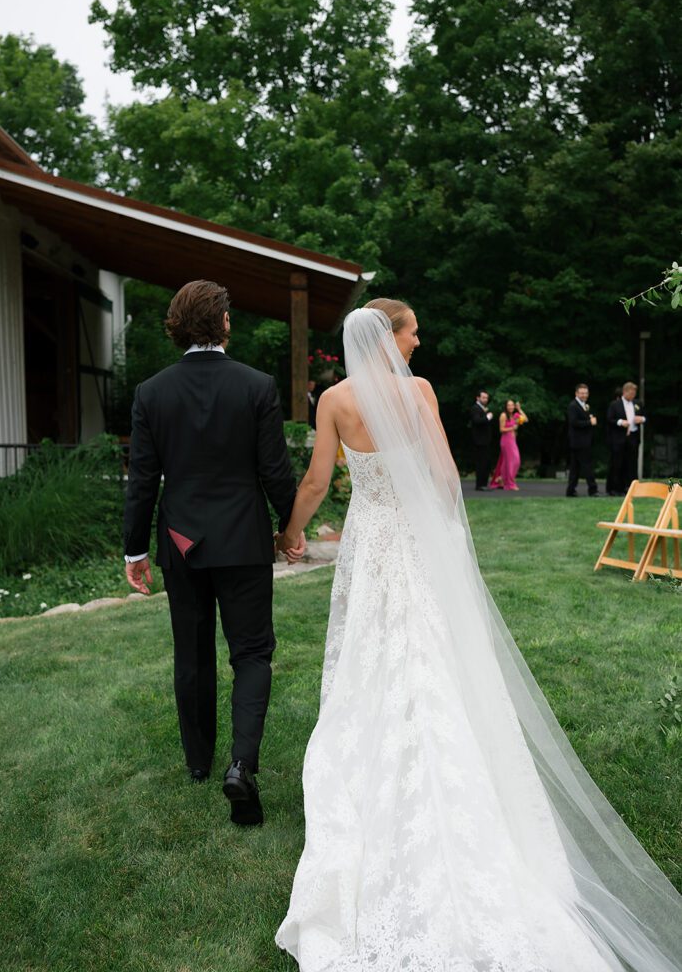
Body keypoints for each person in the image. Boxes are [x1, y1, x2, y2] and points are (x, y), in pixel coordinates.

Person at [275, 298, 682, 972]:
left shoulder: (335, 401)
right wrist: (448, 539)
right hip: (412, 537)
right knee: (432, 647)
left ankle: (372, 761)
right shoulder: (420, 393)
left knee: (374, 650)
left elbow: (319, 478)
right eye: (411, 331)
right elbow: (441, 474)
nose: (418, 340)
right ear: (389, 337)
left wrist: (291, 531)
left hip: (371, 540)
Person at [123, 280, 304, 826]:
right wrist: (291, 529)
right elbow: (275, 471)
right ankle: (240, 767)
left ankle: (198, 764)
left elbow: (142, 483)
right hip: (244, 540)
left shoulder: (151, 392)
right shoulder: (256, 385)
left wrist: (135, 550)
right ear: (222, 323)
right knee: (251, 653)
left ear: (179, 326)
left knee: (192, 652)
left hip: (181, 541)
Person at [607, 380, 647, 493]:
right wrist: (620, 422)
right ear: (624, 392)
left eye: (634, 393)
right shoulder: (615, 404)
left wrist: (642, 419)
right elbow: (609, 419)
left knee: (632, 463)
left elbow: (645, 417)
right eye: (631, 393)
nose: (633, 395)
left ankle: (631, 487)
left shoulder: (638, 403)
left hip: (633, 437)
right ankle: (614, 488)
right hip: (619, 437)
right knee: (617, 463)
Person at [566, 382, 600, 497]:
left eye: (586, 393)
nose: (584, 395)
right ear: (576, 393)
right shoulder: (573, 406)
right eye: (581, 393)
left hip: (584, 441)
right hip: (579, 441)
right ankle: (593, 489)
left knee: (575, 467)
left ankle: (570, 490)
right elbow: (574, 422)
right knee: (587, 466)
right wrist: (589, 422)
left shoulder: (585, 405)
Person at [489, 398, 528, 490]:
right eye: (509, 405)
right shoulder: (503, 415)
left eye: (512, 405)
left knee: (507, 462)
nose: (511, 407)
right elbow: (501, 429)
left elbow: (526, 419)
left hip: (513, 441)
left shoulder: (515, 416)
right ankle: (510, 484)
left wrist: (519, 409)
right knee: (514, 461)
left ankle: (501, 478)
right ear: (506, 407)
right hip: (506, 441)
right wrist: (512, 428)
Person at [469, 389, 494, 490]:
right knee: (481, 463)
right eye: (483, 397)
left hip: (485, 441)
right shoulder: (475, 408)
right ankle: (480, 485)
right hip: (480, 441)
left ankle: (484, 484)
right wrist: (487, 417)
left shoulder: (482, 408)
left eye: (486, 397)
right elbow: (476, 421)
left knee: (486, 462)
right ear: (478, 398)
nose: (485, 399)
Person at [605, 386, 623, 495]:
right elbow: (610, 421)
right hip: (614, 441)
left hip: (619, 441)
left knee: (619, 465)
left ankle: (619, 487)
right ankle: (611, 488)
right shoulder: (614, 406)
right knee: (614, 465)